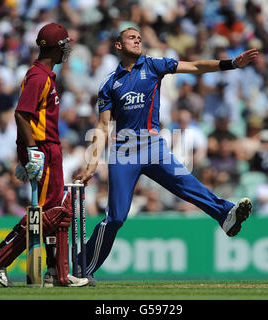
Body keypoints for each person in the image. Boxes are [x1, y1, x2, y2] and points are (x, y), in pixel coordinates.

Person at [75, 27, 257, 282]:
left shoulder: (153, 65)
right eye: (131, 37)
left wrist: (231, 64)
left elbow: (194, 67)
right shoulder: (109, 83)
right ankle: (81, 270)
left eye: (139, 37)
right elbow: (103, 126)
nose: (138, 40)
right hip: (123, 152)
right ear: (118, 46)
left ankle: (226, 215)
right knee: (116, 217)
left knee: (186, 183)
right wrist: (91, 164)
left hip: (152, 146)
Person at [0, 23, 88, 288]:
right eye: (64, 46)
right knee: (54, 211)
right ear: (55, 48)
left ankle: (59, 275)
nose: (67, 51)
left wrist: (26, 152)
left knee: (61, 213)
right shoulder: (39, 77)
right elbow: (21, 114)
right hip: (43, 148)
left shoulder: (44, 75)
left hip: (48, 147)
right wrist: (30, 151)